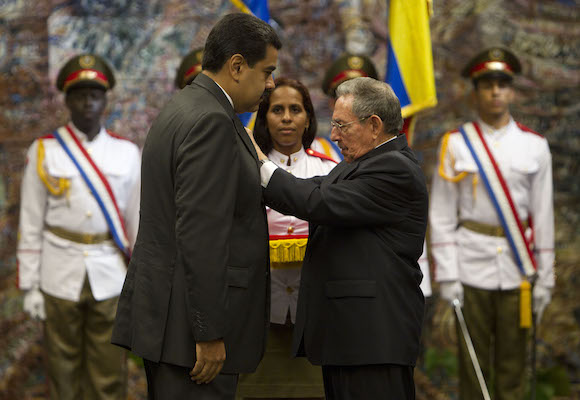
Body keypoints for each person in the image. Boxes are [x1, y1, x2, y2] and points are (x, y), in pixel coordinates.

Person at [111, 13, 282, 399]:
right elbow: (201, 234)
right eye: (267, 71)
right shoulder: (212, 121)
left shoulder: (184, 106)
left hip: (169, 322)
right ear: (237, 66)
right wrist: (208, 332)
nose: (270, 84)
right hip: (192, 338)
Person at [252, 77, 428, 400]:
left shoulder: (394, 169)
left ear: (374, 126)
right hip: (350, 340)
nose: (332, 136)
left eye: (341, 126)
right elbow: (315, 188)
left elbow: (317, 202)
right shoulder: (361, 163)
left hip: (372, 343)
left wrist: (260, 164)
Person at [430, 47, 554, 400]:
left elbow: (543, 215)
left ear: (512, 90)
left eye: (502, 84)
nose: (496, 92)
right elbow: (441, 213)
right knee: (473, 364)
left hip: (519, 270)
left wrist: (545, 277)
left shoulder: (535, 146)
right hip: (471, 265)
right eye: (487, 85)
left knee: (514, 367)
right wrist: (449, 276)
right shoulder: (455, 144)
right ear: (476, 91)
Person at [17, 53, 141, 400]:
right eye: (79, 94)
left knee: (108, 374)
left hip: (110, 272)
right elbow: (30, 219)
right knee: (62, 370)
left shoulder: (127, 153)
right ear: (67, 99)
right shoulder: (44, 151)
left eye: (95, 94)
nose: (88, 101)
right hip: (58, 271)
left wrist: (141, 280)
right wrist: (30, 285)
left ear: (105, 100)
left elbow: (137, 222)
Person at [236, 77, 336, 399]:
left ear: (308, 117)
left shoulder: (331, 172)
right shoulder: (245, 171)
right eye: (277, 110)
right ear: (264, 118)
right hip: (260, 314)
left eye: (296, 109)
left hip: (315, 318)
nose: (287, 117)